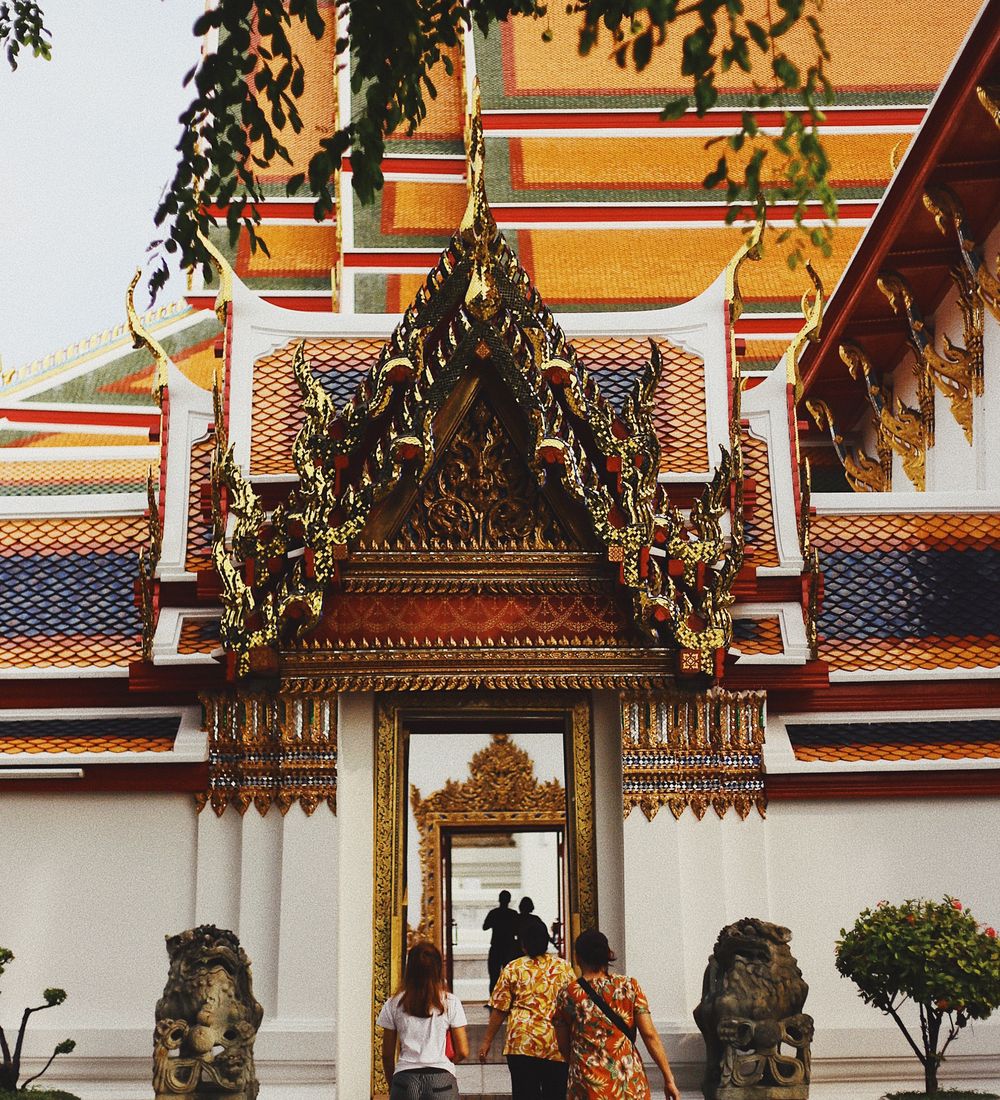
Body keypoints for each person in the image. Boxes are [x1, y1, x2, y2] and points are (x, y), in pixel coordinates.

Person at [554, 930, 681, 1100]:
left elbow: (563, 1045)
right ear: (608, 955)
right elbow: (650, 1035)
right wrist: (668, 1078)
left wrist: (579, 1065)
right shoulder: (629, 987)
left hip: (587, 1082)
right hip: (627, 1079)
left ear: (577, 957)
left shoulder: (568, 994)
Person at [478, 914, 574, 1100]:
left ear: (523, 945)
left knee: (524, 1094)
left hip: (521, 1043)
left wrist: (487, 1041)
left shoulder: (514, 968)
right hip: (555, 1042)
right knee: (554, 1094)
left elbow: (499, 1009)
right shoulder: (563, 968)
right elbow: (572, 1006)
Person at [377, 940, 469, 1100]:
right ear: (439, 969)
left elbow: (386, 1054)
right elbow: (463, 1051)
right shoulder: (450, 1002)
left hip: (405, 1080)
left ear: (409, 969)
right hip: (441, 1082)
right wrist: (444, 1062)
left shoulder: (393, 1004)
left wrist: (394, 1084)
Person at [482, 889, 521, 993]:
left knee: (494, 976)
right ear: (509, 900)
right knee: (510, 976)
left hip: (496, 946)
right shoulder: (513, 914)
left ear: (499, 900)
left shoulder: (494, 913)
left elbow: (485, 927)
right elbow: (517, 931)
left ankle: (493, 1000)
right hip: (509, 947)